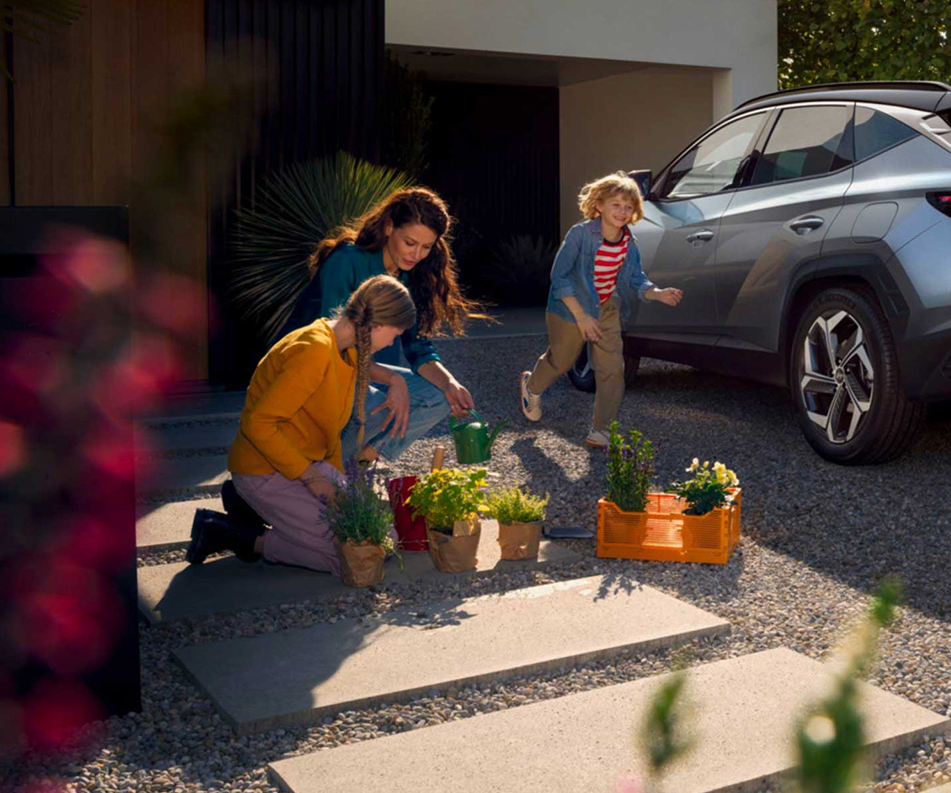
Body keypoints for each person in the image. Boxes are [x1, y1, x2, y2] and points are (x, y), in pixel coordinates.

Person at [186, 275, 416, 574]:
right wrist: (313, 480)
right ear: (378, 324)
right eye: (395, 334)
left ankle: (262, 515)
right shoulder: (313, 349)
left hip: (308, 466)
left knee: (382, 542)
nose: (392, 342)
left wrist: (334, 481)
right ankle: (234, 534)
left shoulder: (347, 350)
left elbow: (331, 431)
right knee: (350, 557)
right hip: (265, 471)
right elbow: (259, 424)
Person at [282, 187, 482, 465]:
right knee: (372, 405)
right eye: (410, 243)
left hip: (365, 373)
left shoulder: (413, 274)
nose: (417, 255)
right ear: (389, 227)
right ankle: (333, 471)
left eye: (426, 247)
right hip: (319, 371)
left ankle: (363, 460)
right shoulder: (346, 260)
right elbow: (335, 347)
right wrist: (393, 379)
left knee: (437, 397)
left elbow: (418, 346)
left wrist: (450, 384)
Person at [518, 172, 682, 446]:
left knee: (611, 370)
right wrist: (581, 317)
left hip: (605, 307)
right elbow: (560, 277)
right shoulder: (580, 235)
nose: (623, 211)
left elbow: (634, 278)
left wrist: (657, 293)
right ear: (599, 205)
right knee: (563, 360)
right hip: (569, 307)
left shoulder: (629, 244)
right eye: (616, 204)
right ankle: (531, 386)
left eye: (629, 206)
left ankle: (601, 430)